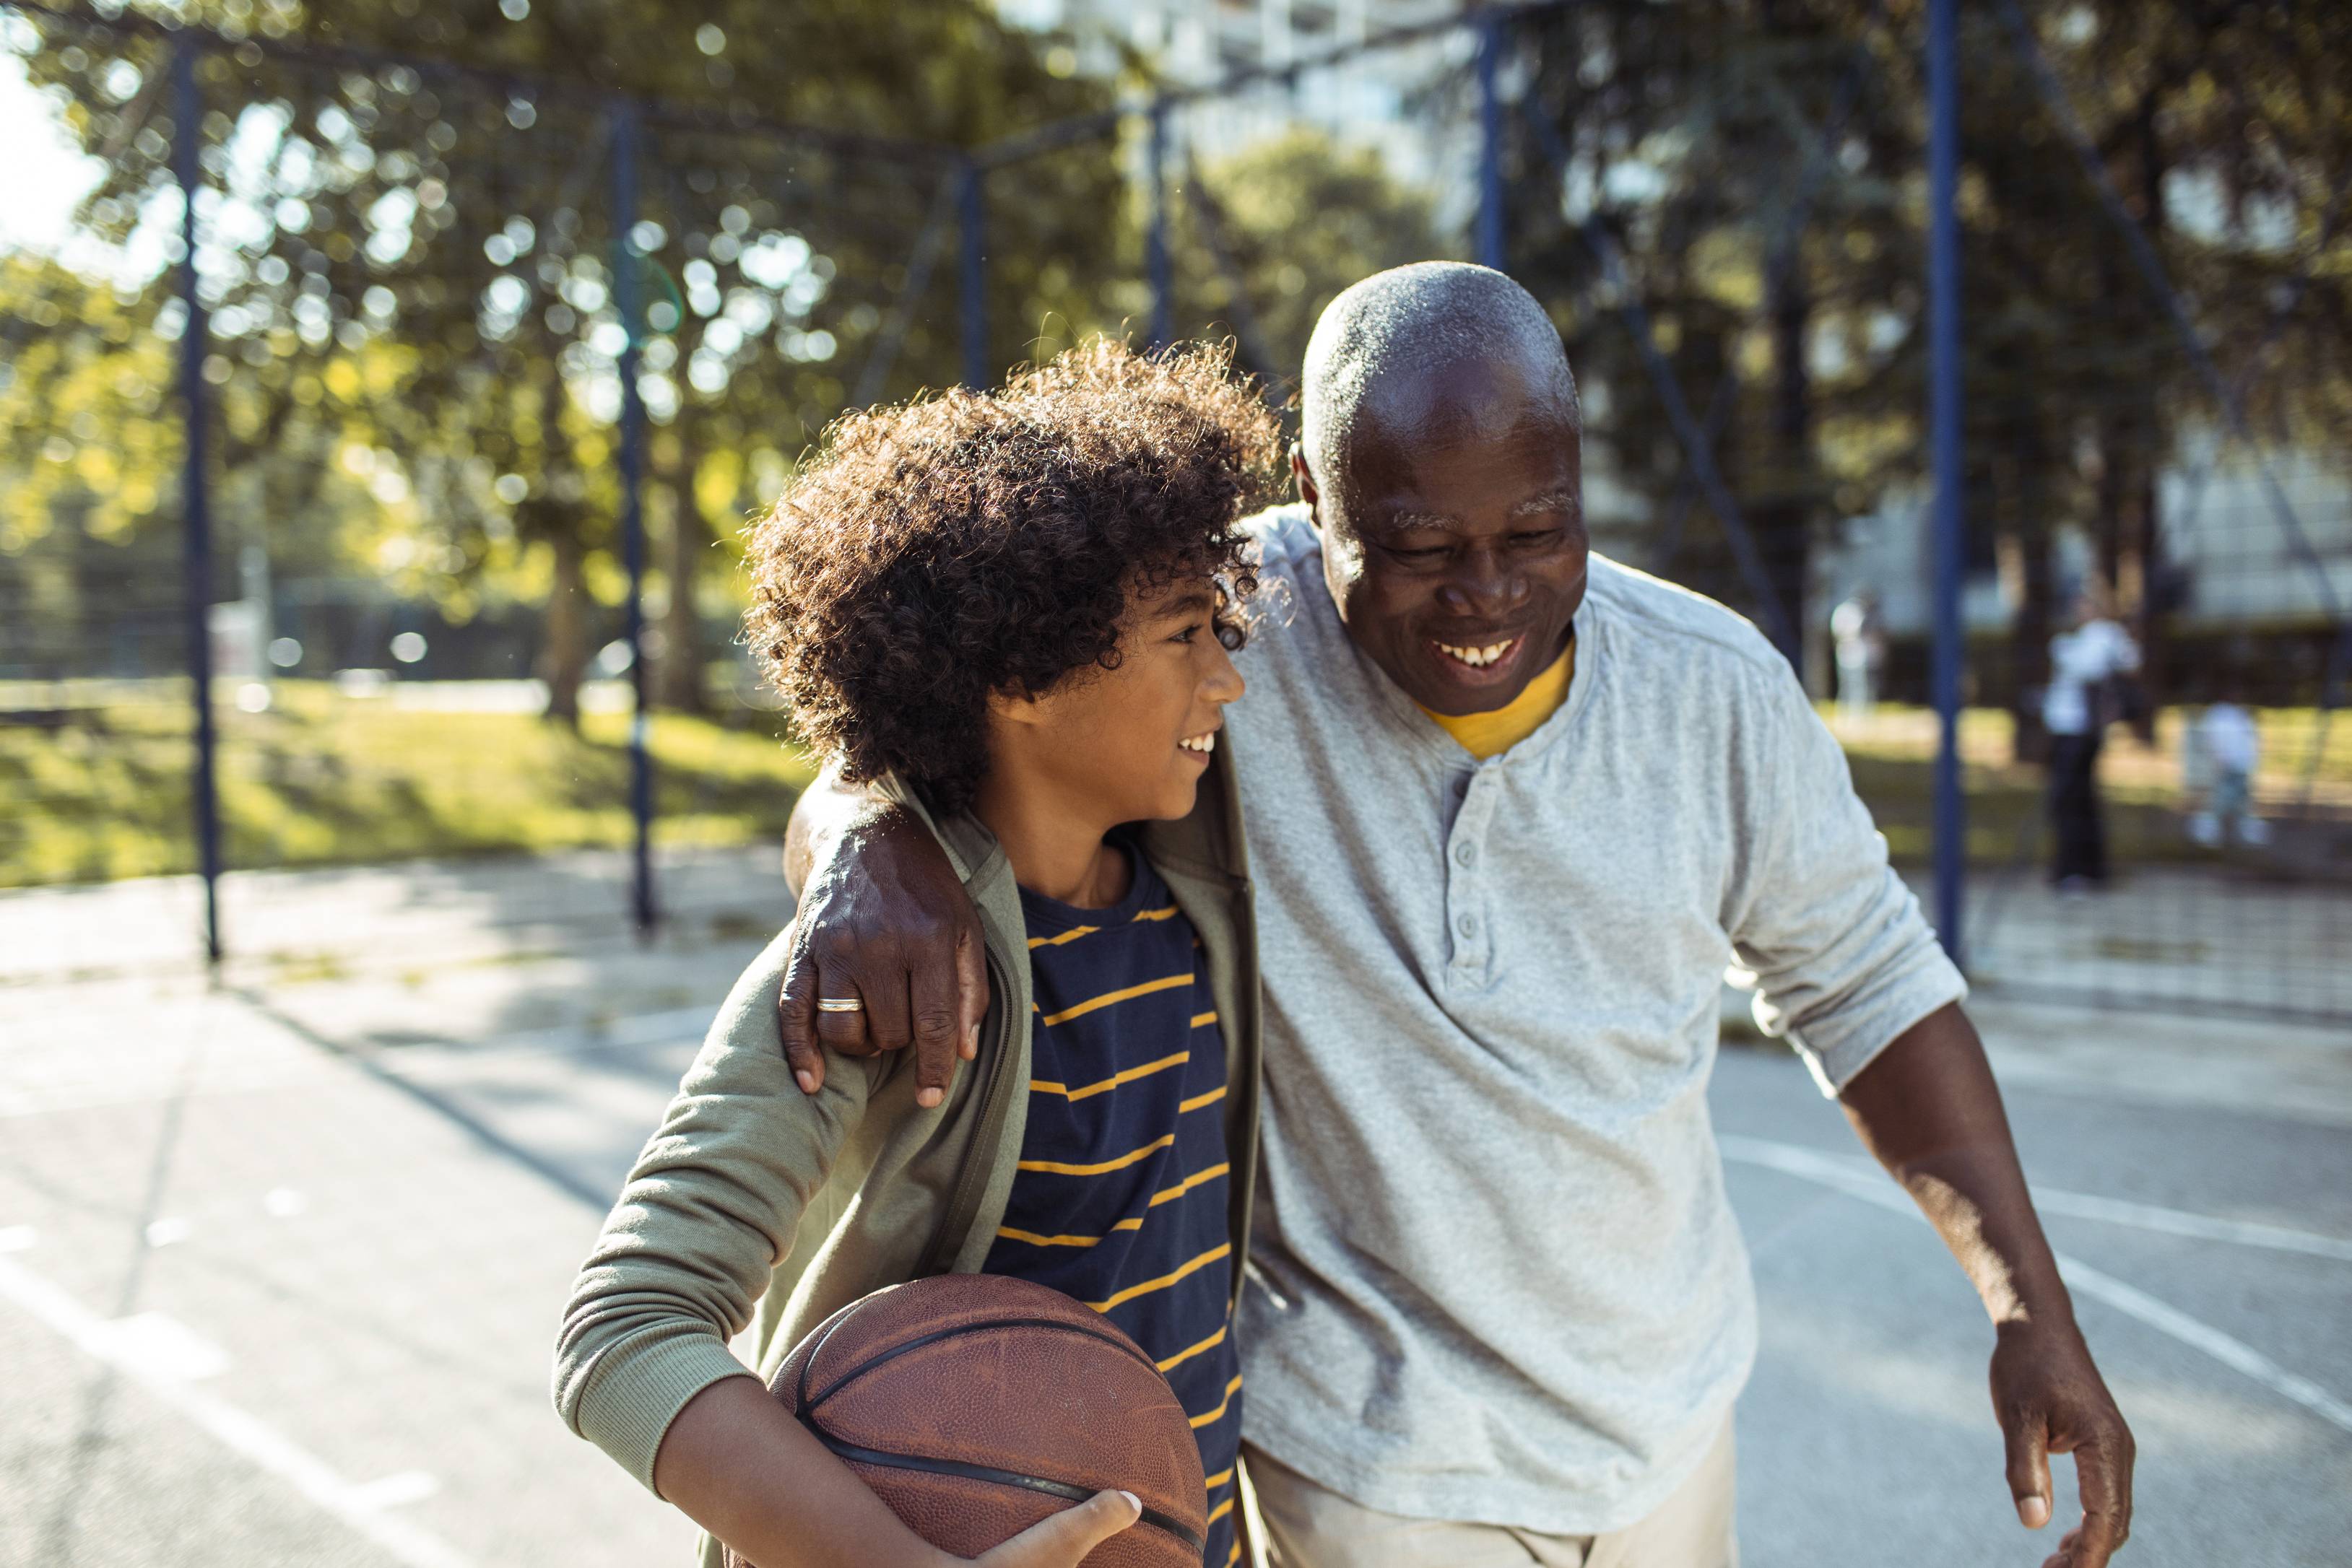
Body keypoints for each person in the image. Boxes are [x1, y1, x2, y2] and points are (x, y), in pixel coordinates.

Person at [780, 264, 2135, 1568]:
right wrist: (867, 834)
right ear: (1313, 498)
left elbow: (1869, 983)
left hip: (1667, 1428)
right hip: (1372, 1467)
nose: (1486, 595)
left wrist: (2028, 1306)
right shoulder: (1213, 644)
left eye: (1538, 531)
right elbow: (927, 726)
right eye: (1421, 548)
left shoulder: (1713, 691)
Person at [552, 340, 1281, 1568]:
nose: (1230, 679)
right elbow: (623, 1329)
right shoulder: (874, 972)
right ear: (1020, 675)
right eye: (1180, 636)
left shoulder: (1193, 873)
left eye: (1224, 626)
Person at [2043, 585, 2142, 889]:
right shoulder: (2096, 636)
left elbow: (2092, 668)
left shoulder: (2102, 634)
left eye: (2083, 603)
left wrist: (2063, 650)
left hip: (2078, 730)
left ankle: (2076, 870)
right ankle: (2088, 868)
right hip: (2072, 729)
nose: (2078, 610)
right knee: (2079, 799)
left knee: (2071, 801)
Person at [2188, 697, 2265, 848]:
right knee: (2219, 801)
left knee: (2239, 801)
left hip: (2239, 766)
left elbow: (2248, 743)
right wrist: (2220, 760)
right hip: (2228, 767)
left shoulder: (2237, 716)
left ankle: (2237, 831)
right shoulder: (2220, 716)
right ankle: (2208, 832)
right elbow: (2213, 742)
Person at [1831, 590, 1885, 722]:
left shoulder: (1843, 610)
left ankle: (1854, 713)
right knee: (1854, 685)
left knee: (1852, 684)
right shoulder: (1856, 612)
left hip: (1850, 652)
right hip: (1853, 652)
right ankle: (1854, 714)